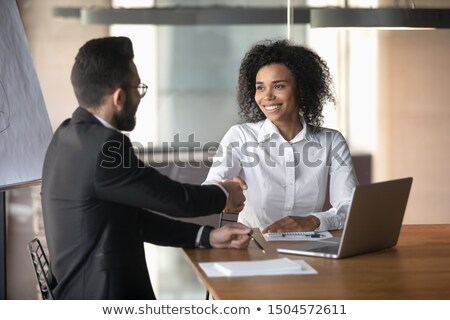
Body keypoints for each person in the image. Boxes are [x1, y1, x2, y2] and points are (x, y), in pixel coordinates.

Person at [41, 36, 251, 300]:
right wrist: (225, 192)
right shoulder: (106, 146)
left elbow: (130, 220)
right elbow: (177, 200)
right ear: (119, 96)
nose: (139, 96)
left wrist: (206, 236)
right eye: (138, 88)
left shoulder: (66, 135)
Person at [204, 39, 358, 233]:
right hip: (252, 245)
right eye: (260, 87)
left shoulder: (331, 141)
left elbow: (349, 206)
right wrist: (222, 190)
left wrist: (312, 221)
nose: (267, 96)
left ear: (301, 89)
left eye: (278, 86)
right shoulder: (241, 136)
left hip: (312, 247)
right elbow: (209, 187)